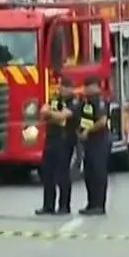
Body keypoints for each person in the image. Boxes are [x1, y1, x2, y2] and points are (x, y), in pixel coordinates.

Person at [36, 78, 80, 216]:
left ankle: (64, 206)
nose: (61, 90)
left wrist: (51, 115)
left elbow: (64, 116)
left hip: (65, 140)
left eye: (64, 87)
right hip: (51, 139)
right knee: (47, 173)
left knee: (62, 174)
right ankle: (48, 205)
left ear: (70, 89)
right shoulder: (55, 100)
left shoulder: (75, 102)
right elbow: (43, 111)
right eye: (61, 87)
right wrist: (54, 115)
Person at [78, 76, 110, 214]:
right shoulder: (86, 102)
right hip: (89, 142)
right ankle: (91, 204)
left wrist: (88, 131)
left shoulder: (99, 101)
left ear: (96, 87)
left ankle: (99, 205)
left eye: (88, 86)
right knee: (89, 174)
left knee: (98, 173)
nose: (86, 89)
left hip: (100, 141)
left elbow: (102, 121)